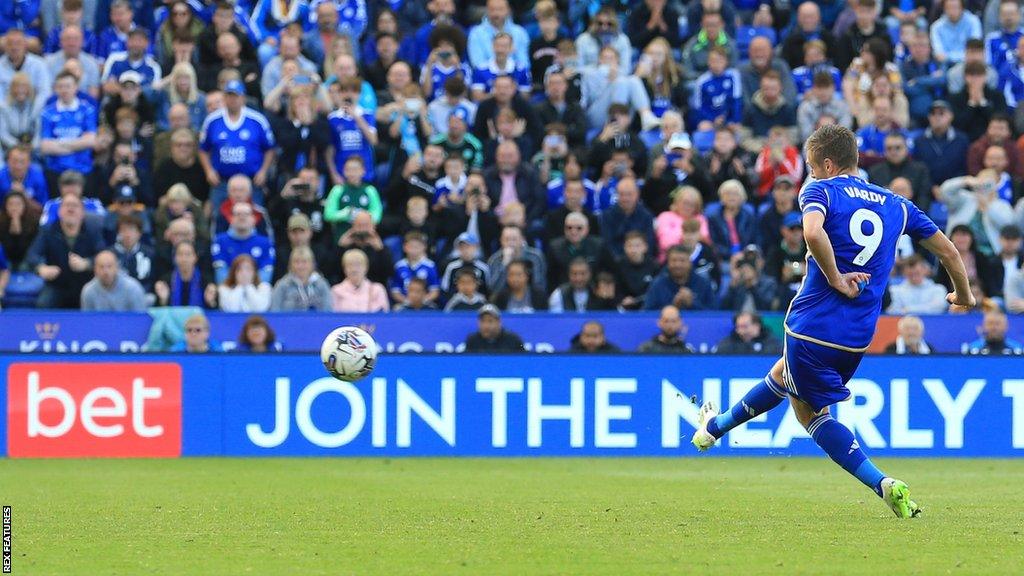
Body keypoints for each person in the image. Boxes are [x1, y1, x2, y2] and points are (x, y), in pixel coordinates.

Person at [691, 123, 975, 518]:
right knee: (784, 375)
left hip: (811, 325)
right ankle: (712, 429)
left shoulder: (820, 191)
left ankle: (882, 483)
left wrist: (836, 278)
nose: (809, 174)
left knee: (808, 413)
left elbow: (811, 231)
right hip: (857, 338)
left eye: (811, 166)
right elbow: (947, 251)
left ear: (826, 164)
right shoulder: (896, 203)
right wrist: (964, 294)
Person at [27, 192, 105, 308]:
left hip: (86, 284)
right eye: (67, 205)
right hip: (57, 284)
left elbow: (104, 256)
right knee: (43, 304)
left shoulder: (92, 230)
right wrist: (41, 268)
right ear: (59, 211)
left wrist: (87, 263)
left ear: (83, 212)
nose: (71, 209)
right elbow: (32, 255)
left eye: (75, 206)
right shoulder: (48, 230)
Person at [644, 245, 715, 311]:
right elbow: (647, 314)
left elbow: (714, 315)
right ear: (668, 263)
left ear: (690, 263)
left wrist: (692, 304)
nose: (678, 265)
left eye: (682, 260)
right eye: (674, 260)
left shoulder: (703, 284)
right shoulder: (657, 285)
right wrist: (673, 306)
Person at [153, 240, 218, 308]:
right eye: (180, 254)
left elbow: (215, 311)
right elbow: (158, 311)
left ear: (195, 257)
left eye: (188, 254)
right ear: (175, 258)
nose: (184, 259)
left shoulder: (206, 281)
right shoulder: (166, 281)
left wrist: (211, 302)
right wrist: (163, 300)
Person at [79, 249, 147, 311]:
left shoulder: (133, 289)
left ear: (117, 267)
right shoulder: (88, 291)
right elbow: (87, 320)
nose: (106, 271)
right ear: (95, 270)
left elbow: (139, 318)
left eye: (109, 266)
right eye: (101, 267)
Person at [270, 246, 332, 311]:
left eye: (304, 262)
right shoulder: (282, 285)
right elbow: (275, 310)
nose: (300, 266)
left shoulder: (322, 284)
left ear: (312, 264)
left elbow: (328, 310)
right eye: (296, 262)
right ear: (290, 264)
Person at [331, 248, 389, 313]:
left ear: (366, 267)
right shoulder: (336, 291)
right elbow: (333, 317)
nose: (354, 269)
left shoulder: (378, 289)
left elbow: (383, 316)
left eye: (358, 265)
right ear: (344, 269)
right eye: (350, 265)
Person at [714, 312, 783, 354]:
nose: (740, 330)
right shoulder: (728, 343)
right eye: (738, 326)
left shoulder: (773, 343)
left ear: (757, 326)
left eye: (744, 326)